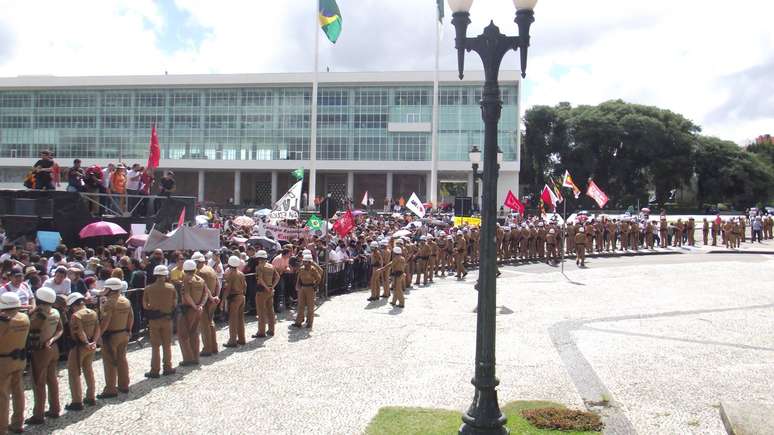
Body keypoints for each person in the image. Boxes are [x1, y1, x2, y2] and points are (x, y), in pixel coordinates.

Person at [24, 287, 63, 425]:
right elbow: (60, 329)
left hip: (40, 351)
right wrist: (52, 340)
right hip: (53, 348)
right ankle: (55, 408)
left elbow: (30, 327)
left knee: (38, 383)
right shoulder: (56, 312)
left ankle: (38, 415)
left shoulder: (39, 315)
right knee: (52, 380)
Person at [96, 278, 133, 399]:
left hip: (111, 336)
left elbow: (106, 322)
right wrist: (128, 330)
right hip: (124, 333)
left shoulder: (109, 303)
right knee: (122, 359)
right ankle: (124, 384)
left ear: (110, 289)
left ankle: (110, 389)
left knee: (110, 362)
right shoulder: (125, 300)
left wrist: (98, 335)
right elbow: (131, 317)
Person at [0, 293, 30, 434]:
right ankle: (18, 423)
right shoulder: (24, 318)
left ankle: (2, 427)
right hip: (20, 359)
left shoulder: (3, 321)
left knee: (3, 394)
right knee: (18, 391)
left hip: (4, 361)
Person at [65, 292, 99, 412]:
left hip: (79, 347)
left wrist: (85, 343)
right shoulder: (93, 312)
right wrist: (93, 342)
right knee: (88, 370)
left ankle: (77, 401)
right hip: (92, 345)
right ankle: (91, 396)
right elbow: (97, 329)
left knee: (74, 373)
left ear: (73, 305)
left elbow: (79, 331)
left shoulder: (76, 316)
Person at [142, 265, 177, 378]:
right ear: (166, 274)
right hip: (167, 319)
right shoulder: (171, 287)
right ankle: (168, 367)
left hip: (154, 320)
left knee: (155, 346)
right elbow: (174, 304)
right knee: (167, 345)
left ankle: (155, 370)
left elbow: (145, 306)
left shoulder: (148, 288)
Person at [178, 260, 206, 366]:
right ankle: (195, 357)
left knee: (183, 335)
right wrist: (200, 305)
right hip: (198, 309)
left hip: (189, 309)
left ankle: (188, 358)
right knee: (194, 333)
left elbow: (187, 295)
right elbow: (205, 294)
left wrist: (194, 306)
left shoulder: (187, 279)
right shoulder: (201, 280)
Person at [193, 252, 220, 357]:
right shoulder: (211, 269)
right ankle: (214, 346)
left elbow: (205, 288)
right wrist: (216, 296)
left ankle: (207, 348)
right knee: (211, 323)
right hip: (213, 300)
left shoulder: (199, 272)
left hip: (205, 301)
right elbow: (218, 283)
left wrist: (210, 298)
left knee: (204, 325)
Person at [253, 250, 279, 338]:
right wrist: (272, 287)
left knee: (261, 312)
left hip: (262, 291)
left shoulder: (259, 267)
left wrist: (267, 288)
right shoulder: (271, 266)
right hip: (270, 290)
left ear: (259, 258)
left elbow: (260, 279)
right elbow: (277, 277)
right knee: (270, 311)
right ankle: (271, 330)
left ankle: (261, 332)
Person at [291, 254, 321, 329]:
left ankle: (309, 322)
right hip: (302, 287)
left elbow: (319, 278)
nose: (304, 263)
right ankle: (299, 321)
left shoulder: (313, 269)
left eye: (306, 262)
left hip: (310, 288)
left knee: (310, 306)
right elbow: (299, 278)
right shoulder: (301, 269)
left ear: (310, 262)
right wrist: (297, 285)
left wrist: (315, 285)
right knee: (300, 305)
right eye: (304, 261)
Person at [222, 256, 246, 347]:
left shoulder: (230, 274)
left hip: (234, 298)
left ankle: (232, 341)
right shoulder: (241, 273)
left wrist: (223, 300)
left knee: (232, 320)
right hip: (241, 296)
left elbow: (227, 289)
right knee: (240, 319)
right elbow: (245, 286)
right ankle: (241, 339)